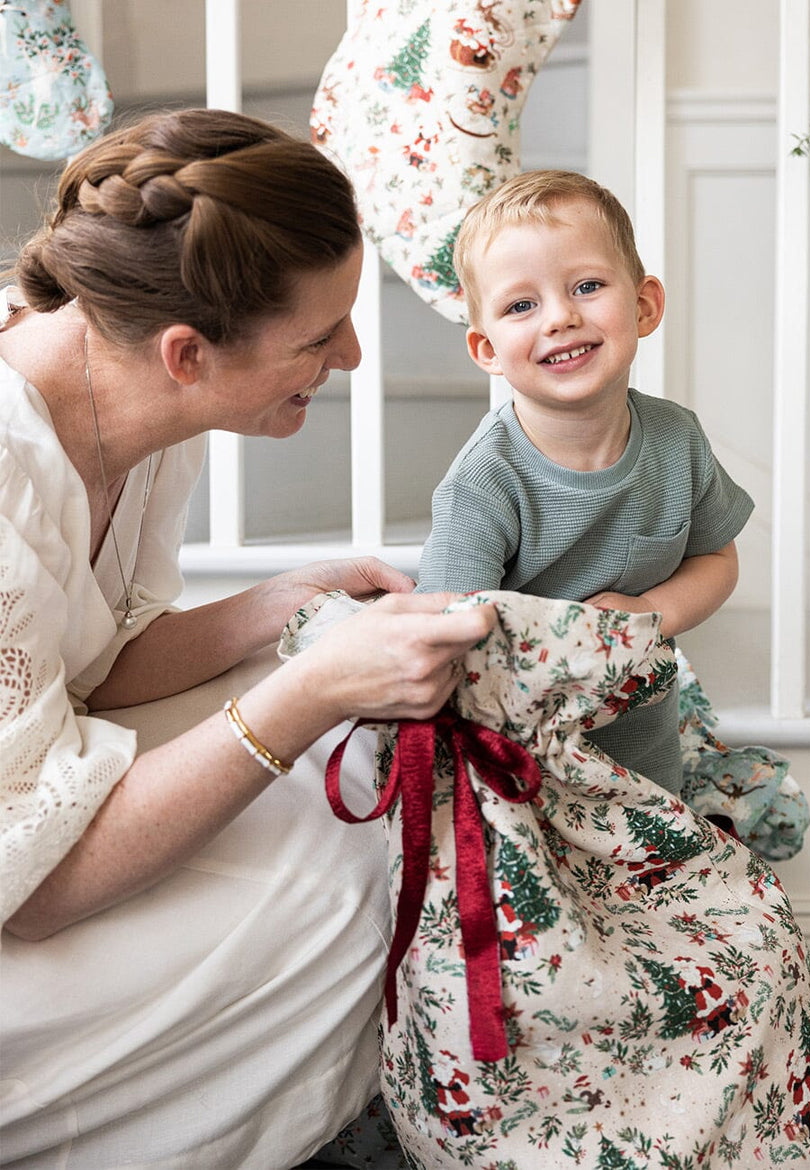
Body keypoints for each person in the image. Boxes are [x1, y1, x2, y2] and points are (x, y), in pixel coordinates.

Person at [0, 107, 496, 1169]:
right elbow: (31, 885)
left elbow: (97, 664)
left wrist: (280, 603)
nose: (352, 354)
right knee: (334, 892)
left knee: (357, 788)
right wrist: (307, 690)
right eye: (319, 337)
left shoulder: (128, 391)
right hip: (18, 888)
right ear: (186, 353)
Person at [416, 170, 753, 793]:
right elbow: (443, 628)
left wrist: (648, 612)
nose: (561, 318)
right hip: (517, 766)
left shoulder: (677, 440)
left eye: (587, 287)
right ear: (487, 349)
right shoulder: (485, 480)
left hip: (644, 759)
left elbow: (716, 560)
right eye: (522, 306)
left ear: (644, 306)